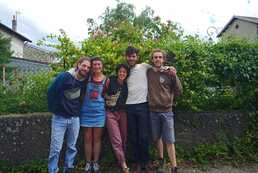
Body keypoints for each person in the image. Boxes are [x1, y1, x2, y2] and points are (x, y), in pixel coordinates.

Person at [47, 57, 91, 173]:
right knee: (56, 149)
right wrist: (55, 109)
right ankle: (52, 170)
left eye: (88, 67)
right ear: (78, 65)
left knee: (72, 147)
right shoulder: (65, 76)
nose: (85, 69)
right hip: (59, 118)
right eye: (84, 65)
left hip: (74, 118)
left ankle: (68, 169)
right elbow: (51, 91)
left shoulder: (85, 80)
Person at [147, 49, 182, 173]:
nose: (157, 59)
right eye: (155, 57)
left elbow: (179, 90)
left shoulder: (169, 73)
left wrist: (174, 74)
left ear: (163, 59)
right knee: (157, 138)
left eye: (160, 57)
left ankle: (174, 167)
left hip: (167, 111)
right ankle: (161, 161)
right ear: (152, 59)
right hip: (153, 111)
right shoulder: (149, 72)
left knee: (170, 140)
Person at [124, 46, 152, 173]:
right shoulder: (123, 71)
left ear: (137, 57)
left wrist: (170, 68)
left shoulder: (144, 66)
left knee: (144, 136)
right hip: (129, 107)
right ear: (126, 57)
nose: (131, 58)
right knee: (133, 137)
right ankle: (137, 163)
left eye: (133, 56)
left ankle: (145, 162)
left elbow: (158, 67)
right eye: (129, 56)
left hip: (143, 105)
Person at [80, 57, 107, 173]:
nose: (97, 66)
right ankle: (88, 163)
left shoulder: (107, 80)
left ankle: (95, 162)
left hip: (100, 113)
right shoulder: (87, 78)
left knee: (97, 139)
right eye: (94, 64)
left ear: (102, 66)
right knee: (87, 139)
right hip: (86, 112)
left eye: (99, 64)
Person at [105, 64, 130, 173]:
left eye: (124, 72)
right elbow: (102, 93)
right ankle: (124, 164)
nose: (122, 73)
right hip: (111, 113)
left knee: (124, 138)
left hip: (123, 113)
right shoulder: (110, 80)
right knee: (117, 139)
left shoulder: (127, 84)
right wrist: (109, 98)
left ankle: (120, 160)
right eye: (120, 71)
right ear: (117, 72)